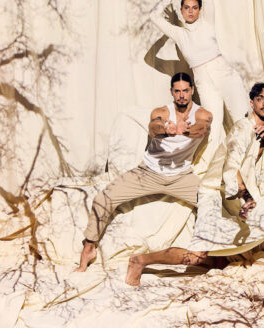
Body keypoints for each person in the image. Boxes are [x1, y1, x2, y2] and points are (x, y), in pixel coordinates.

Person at [126, 82, 264, 286]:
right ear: (252, 103)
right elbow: (232, 169)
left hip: (250, 195)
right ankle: (140, 260)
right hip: (215, 192)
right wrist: (247, 199)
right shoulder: (242, 129)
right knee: (196, 257)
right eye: (260, 99)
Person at [76, 72, 212, 272]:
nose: (182, 95)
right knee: (103, 199)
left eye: (185, 90)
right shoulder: (162, 112)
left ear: (192, 90)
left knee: (212, 203)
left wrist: (184, 130)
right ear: (171, 92)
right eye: (177, 91)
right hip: (148, 172)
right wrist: (167, 129)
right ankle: (88, 249)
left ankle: (218, 255)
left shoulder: (202, 114)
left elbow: (201, 128)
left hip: (181, 177)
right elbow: (153, 127)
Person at [149, 0, 249, 148]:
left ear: (200, 10)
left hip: (225, 74)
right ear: (180, 10)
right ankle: (212, 172)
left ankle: (249, 167)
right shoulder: (179, 34)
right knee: (212, 129)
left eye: (195, 8)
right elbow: (153, 17)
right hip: (204, 82)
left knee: (242, 121)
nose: (190, 11)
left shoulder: (207, 23)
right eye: (186, 8)